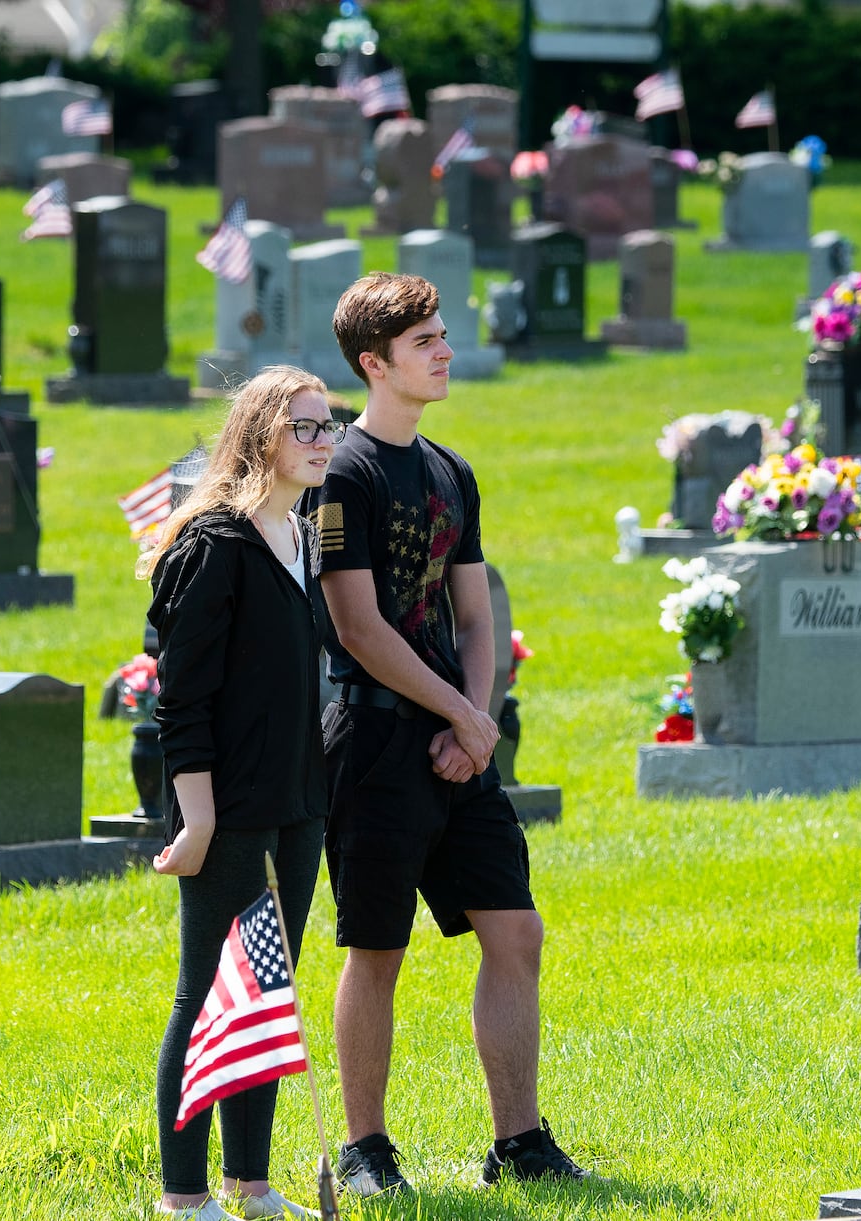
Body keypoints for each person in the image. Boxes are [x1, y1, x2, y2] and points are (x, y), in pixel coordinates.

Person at [313, 273, 589, 1193]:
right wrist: (463, 715)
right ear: (373, 362)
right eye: (424, 339)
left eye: (441, 334)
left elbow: (474, 617)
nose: (444, 350)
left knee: (515, 930)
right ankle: (364, 1151)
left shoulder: (451, 471)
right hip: (373, 743)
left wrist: (476, 724)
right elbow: (357, 626)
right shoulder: (340, 474)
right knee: (377, 948)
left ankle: (520, 1143)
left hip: (454, 743)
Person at [142, 366, 338, 1221]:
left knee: (267, 989)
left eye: (329, 425)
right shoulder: (213, 544)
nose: (323, 440)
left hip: (296, 800)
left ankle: (250, 1186)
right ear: (260, 434)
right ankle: (185, 1198)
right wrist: (200, 814)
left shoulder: (302, 535)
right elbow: (178, 696)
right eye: (305, 427)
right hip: (226, 807)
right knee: (203, 991)